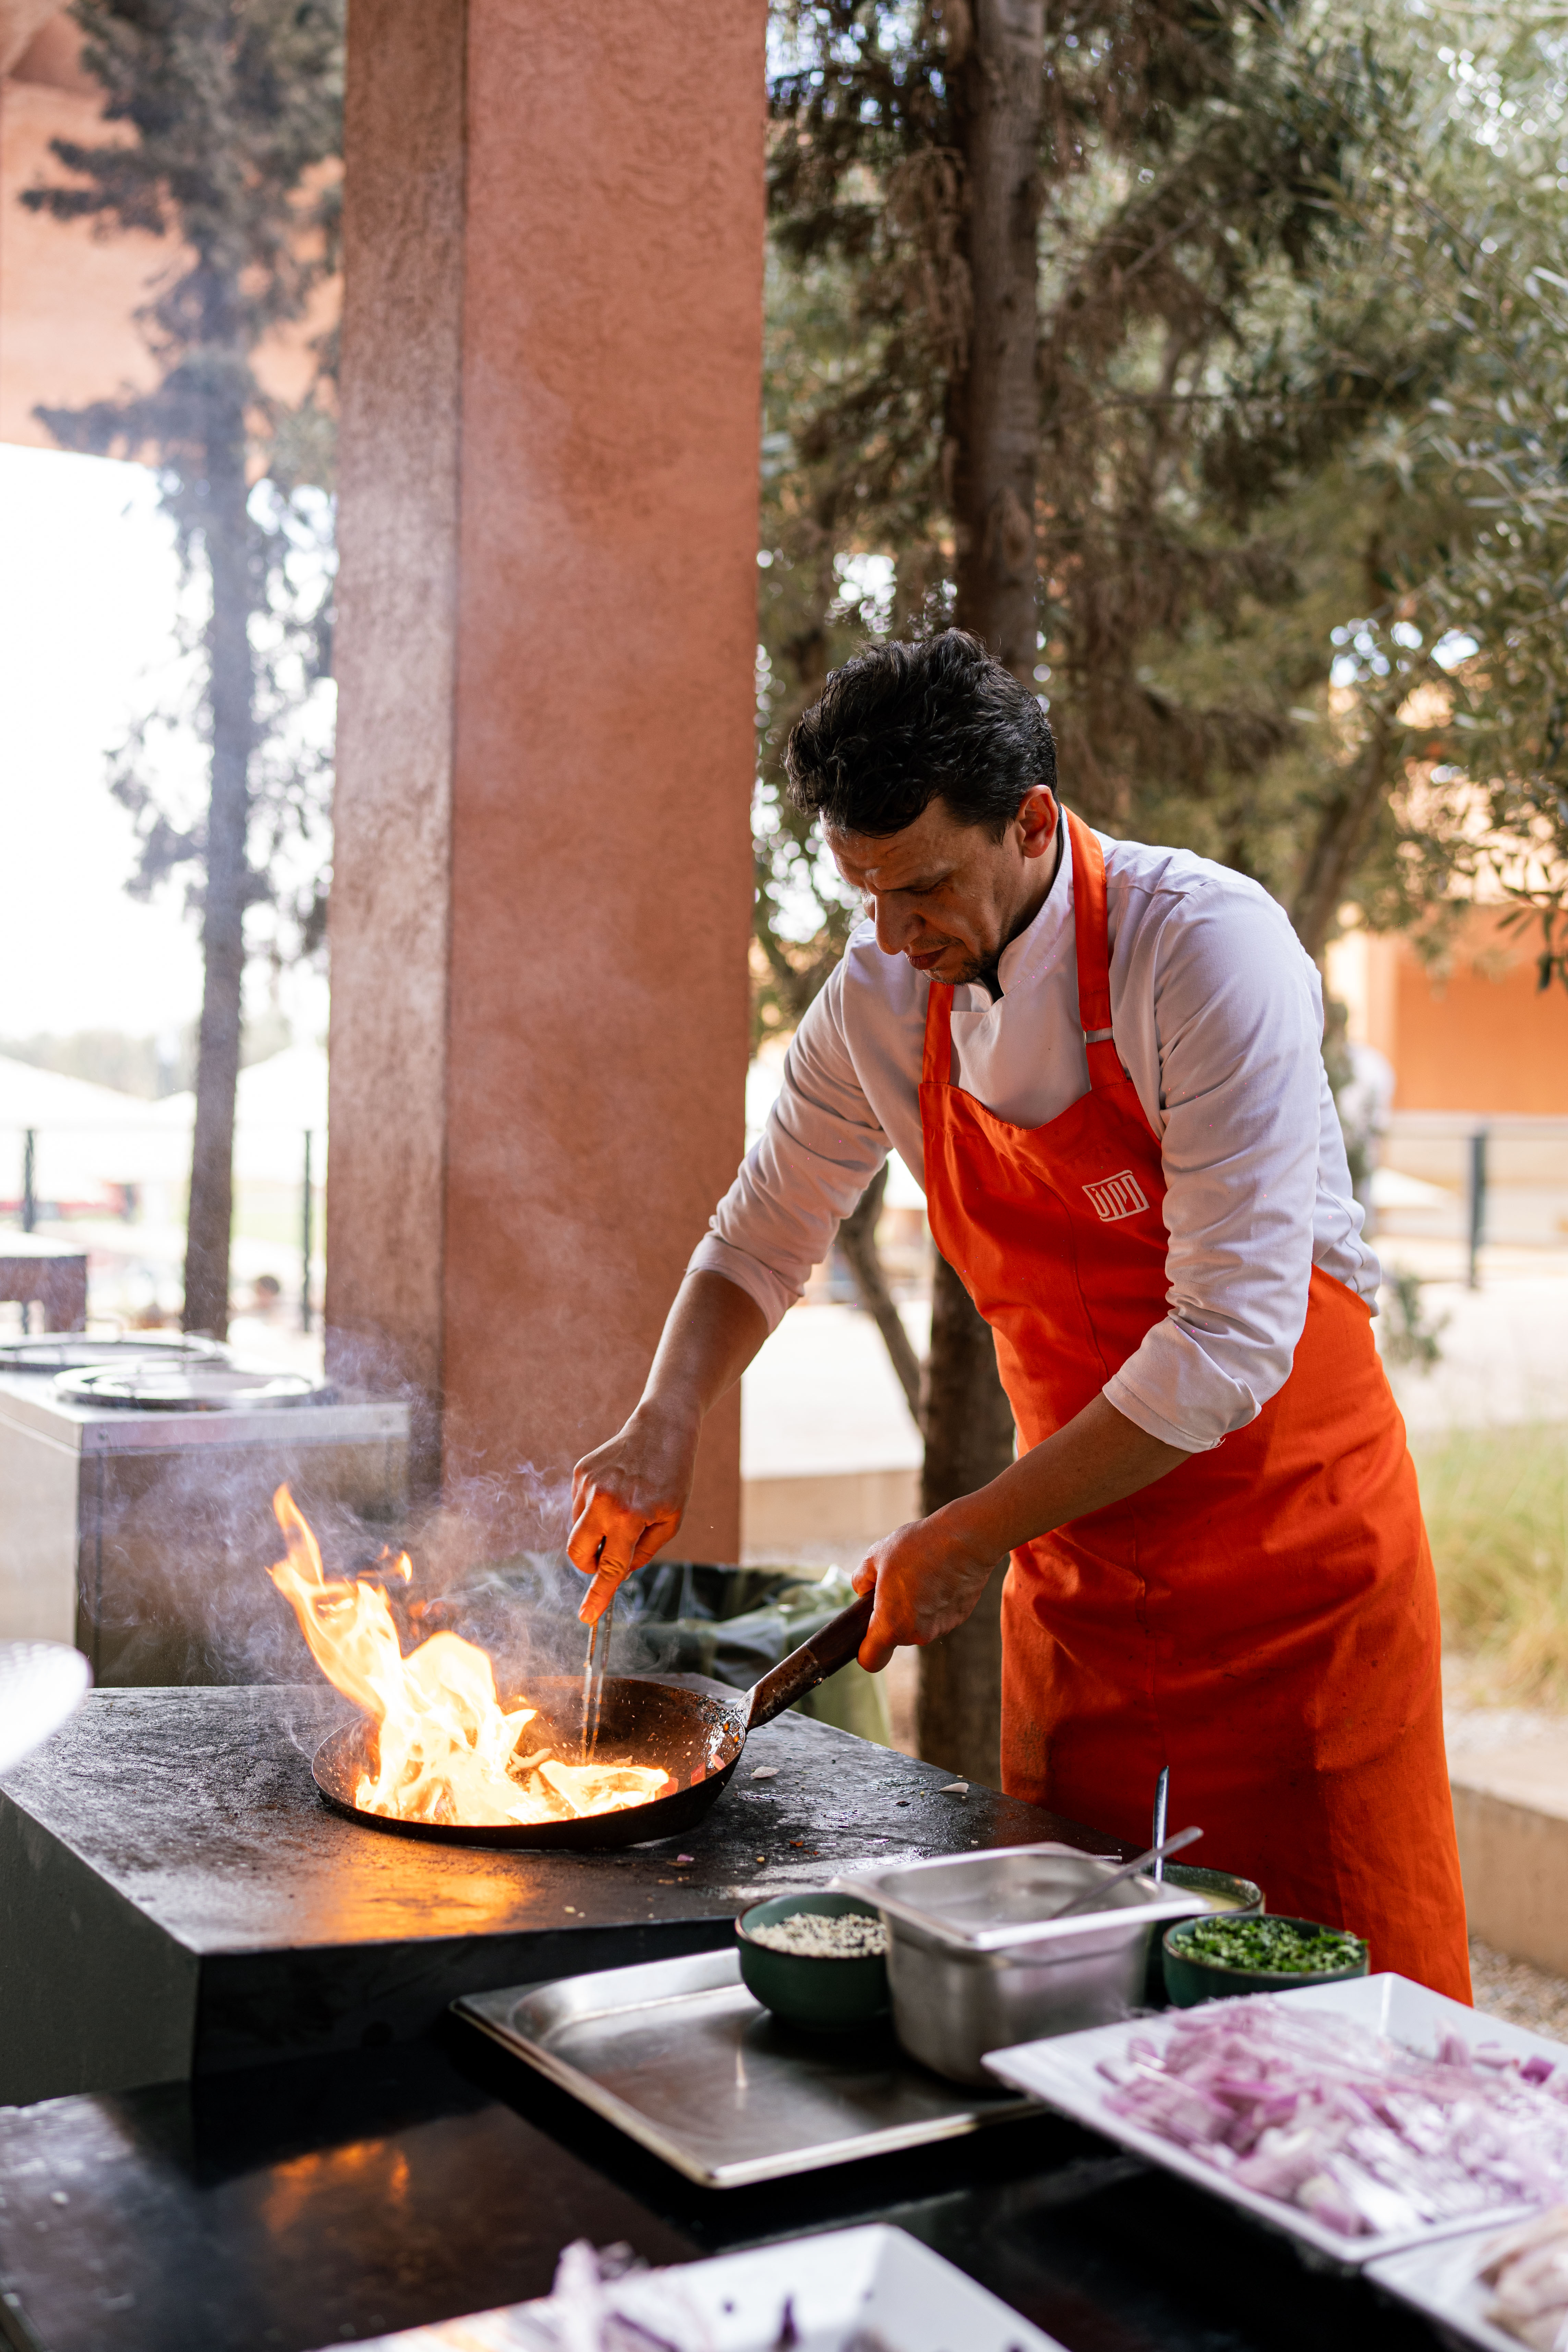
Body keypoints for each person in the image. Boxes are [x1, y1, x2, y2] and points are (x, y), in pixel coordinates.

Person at [568, 630, 1469, 2000]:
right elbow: (759, 1235)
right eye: (866, 893)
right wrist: (661, 1421)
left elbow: (1228, 1344)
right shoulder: (881, 997)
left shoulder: (1202, 949)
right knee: (1083, 1995)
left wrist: (967, 1532)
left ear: (1032, 823)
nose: (893, 934)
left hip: (1295, 1580)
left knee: (1335, 1993)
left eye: (925, 885)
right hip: (1080, 1577)